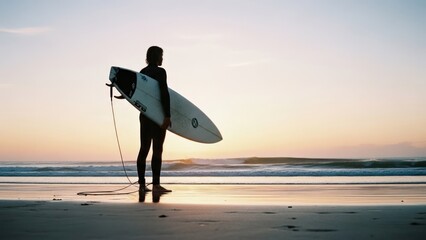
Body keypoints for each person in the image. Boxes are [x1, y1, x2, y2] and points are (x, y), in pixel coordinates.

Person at [137, 46, 172, 193]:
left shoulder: (142, 73)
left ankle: (142, 185)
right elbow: (164, 93)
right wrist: (167, 115)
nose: (162, 58)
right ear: (157, 56)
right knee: (157, 150)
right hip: (157, 115)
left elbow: (137, 96)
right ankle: (156, 185)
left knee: (144, 149)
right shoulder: (160, 72)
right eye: (161, 55)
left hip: (145, 116)